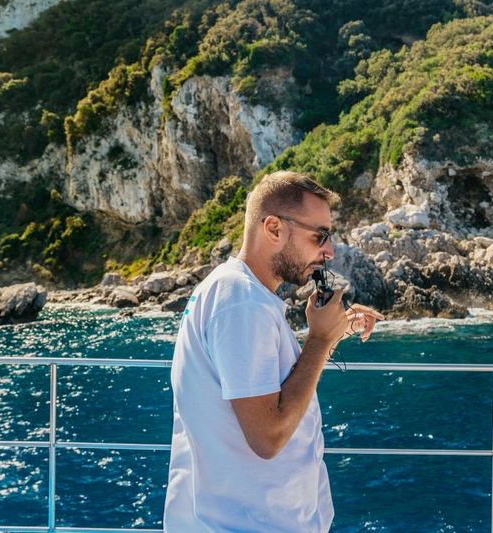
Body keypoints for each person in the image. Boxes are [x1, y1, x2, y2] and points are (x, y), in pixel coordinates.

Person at [163, 170, 384, 532]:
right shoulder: (241, 302)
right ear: (274, 229)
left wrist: (329, 335)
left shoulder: (239, 293)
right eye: (320, 236)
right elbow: (267, 436)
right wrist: (319, 340)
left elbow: (273, 390)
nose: (329, 251)